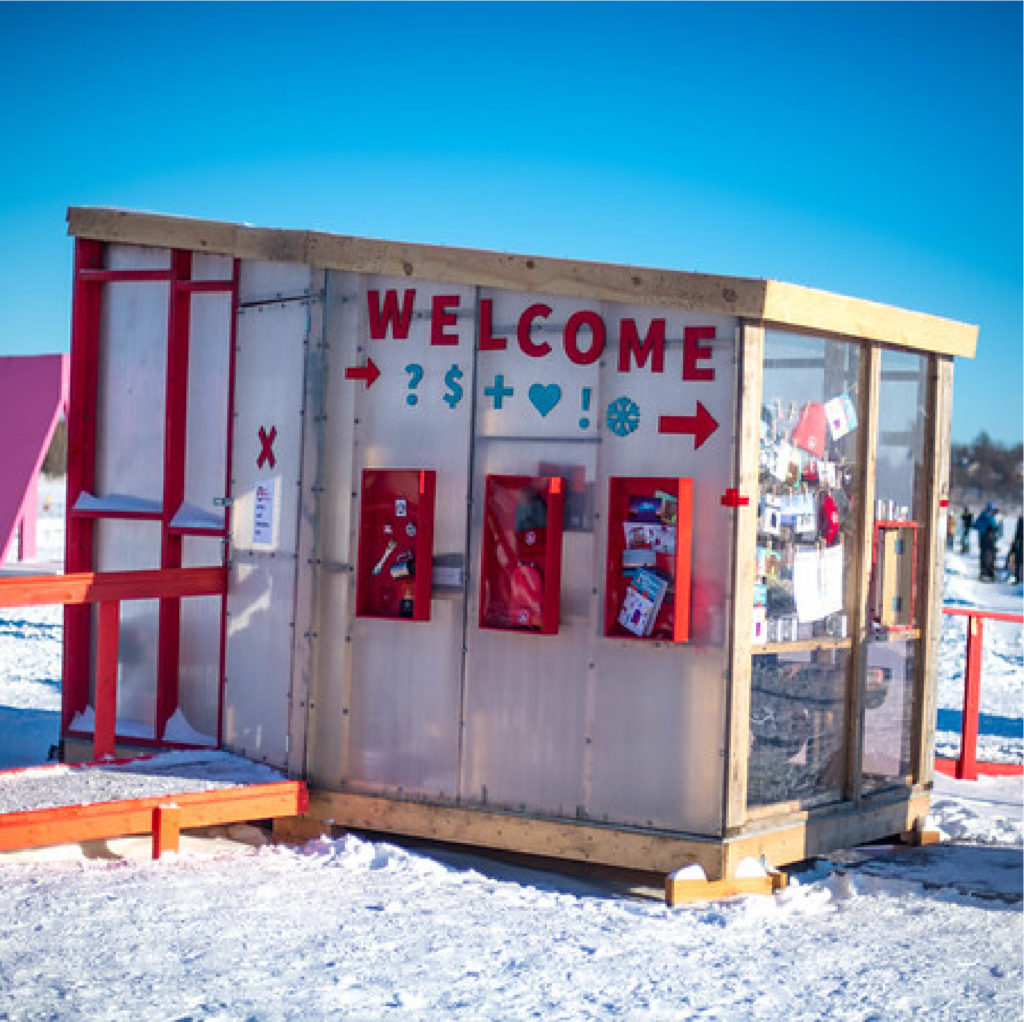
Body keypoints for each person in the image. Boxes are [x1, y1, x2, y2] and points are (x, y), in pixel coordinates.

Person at [973, 502, 1002, 582]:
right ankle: (989, 573)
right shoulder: (990, 517)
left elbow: (975, 525)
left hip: (981, 539)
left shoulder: (982, 515)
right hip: (988, 539)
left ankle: (983, 573)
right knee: (989, 556)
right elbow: (995, 527)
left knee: (983, 555)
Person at [1006, 517, 1023, 585]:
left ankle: (1019, 578)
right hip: (1019, 543)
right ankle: (1018, 577)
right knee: (1018, 560)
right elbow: (1017, 533)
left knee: (1019, 560)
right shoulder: (1021, 519)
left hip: (1020, 542)